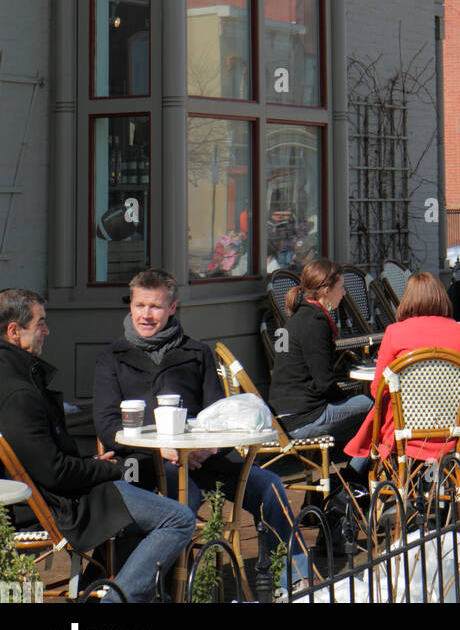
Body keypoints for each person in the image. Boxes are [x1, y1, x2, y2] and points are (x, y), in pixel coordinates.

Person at [93, 268, 305, 590]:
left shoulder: (196, 353)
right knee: (183, 498)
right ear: (131, 306)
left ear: (172, 308)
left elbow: (218, 415)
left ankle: (290, 579)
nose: (146, 315)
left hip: (203, 457)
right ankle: (165, 591)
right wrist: (162, 450)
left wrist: (207, 448)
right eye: (140, 306)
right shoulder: (112, 358)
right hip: (144, 461)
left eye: (155, 307)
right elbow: (108, 426)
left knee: (271, 487)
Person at [0, 287, 195, 603]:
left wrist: (93, 464)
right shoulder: (18, 394)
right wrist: (105, 468)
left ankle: (96, 592)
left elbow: (43, 460)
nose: (47, 331)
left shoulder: (14, 378)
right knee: (179, 518)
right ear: (14, 331)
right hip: (54, 505)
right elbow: (54, 472)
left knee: (141, 517)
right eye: (40, 324)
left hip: (43, 497)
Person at [344, 272, 460, 463]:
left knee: (379, 414)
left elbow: (377, 389)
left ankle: (355, 479)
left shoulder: (394, 332)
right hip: (451, 431)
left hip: (404, 431)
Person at [268, 258, 373, 450]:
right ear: (326, 291)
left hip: (281, 415)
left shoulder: (297, 316)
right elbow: (325, 383)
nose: (344, 293)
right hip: (302, 419)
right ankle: (355, 473)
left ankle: (353, 468)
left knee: (360, 413)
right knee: (374, 406)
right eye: (341, 287)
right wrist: (346, 402)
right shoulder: (316, 323)